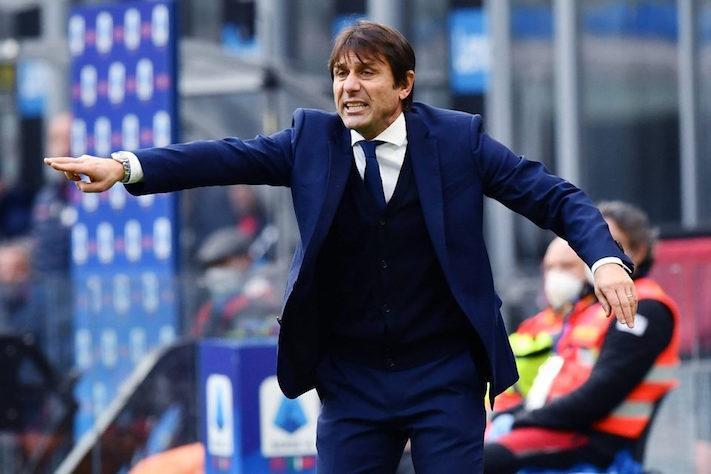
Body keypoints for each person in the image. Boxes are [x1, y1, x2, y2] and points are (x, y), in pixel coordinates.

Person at [45, 21, 637, 473]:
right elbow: (223, 157)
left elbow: (553, 196)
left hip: (444, 373)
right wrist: (125, 166)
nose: (348, 87)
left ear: (404, 85)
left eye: (366, 73)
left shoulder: (458, 140)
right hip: (351, 380)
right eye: (340, 74)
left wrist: (604, 258)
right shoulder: (311, 140)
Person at [484, 201, 679, 473]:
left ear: (638, 251)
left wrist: (524, 420)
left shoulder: (644, 307)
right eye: (594, 242)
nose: (599, 251)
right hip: (561, 426)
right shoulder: (589, 309)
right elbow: (555, 385)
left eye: (612, 244)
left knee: (475, 462)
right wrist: (511, 416)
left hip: (596, 439)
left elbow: (602, 392)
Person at [492, 237, 597, 414]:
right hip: (514, 415)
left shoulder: (598, 319)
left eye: (567, 266)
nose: (556, 275)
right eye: (549, 268)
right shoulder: (533, 325)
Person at [191, 226, 279, 339]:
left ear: (244, 260)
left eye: (222, 264)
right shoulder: (208, 308)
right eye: (211, 267)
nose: (214, 273)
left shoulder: (262, 297)